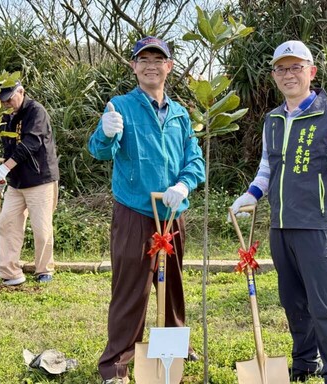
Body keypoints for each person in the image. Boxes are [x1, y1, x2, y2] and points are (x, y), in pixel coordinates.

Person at [230, 40, 327, 384]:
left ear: (311, 72)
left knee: (325, 306)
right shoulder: (272, 119)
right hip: (281, 225)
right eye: (281, 69)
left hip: (318, 226)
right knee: (292, 302)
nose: (288, 75)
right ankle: (306, 362)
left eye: (296, 67)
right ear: (274, 75)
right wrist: (251, 194)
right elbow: (267, 167)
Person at [88, 36, 205, 384]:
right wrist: (106, 133)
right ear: (134, 66)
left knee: (171, 286)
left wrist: (183, 184)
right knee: (131, 289)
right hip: (135, 212)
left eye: (159, 59)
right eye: (144, 59)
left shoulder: (181, 113)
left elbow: (194, 159)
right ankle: (116, 365)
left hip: (171, 214)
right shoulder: (120, 106)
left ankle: (172, 348)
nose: (151, 65)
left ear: (169, 67)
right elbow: (99, 150)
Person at [0, 81, 59, 286]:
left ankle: (44, 270)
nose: (7, 103)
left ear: (21, 91)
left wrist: (5, 168)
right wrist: (0, 175)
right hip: (16, 182)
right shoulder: (6, 117)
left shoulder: (36, 111)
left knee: (41, 228)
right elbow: (8, 149)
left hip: (40, 179)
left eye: (10, 98)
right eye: (3, 100)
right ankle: (10, 272)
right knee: (6, 222)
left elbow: (30, 144)